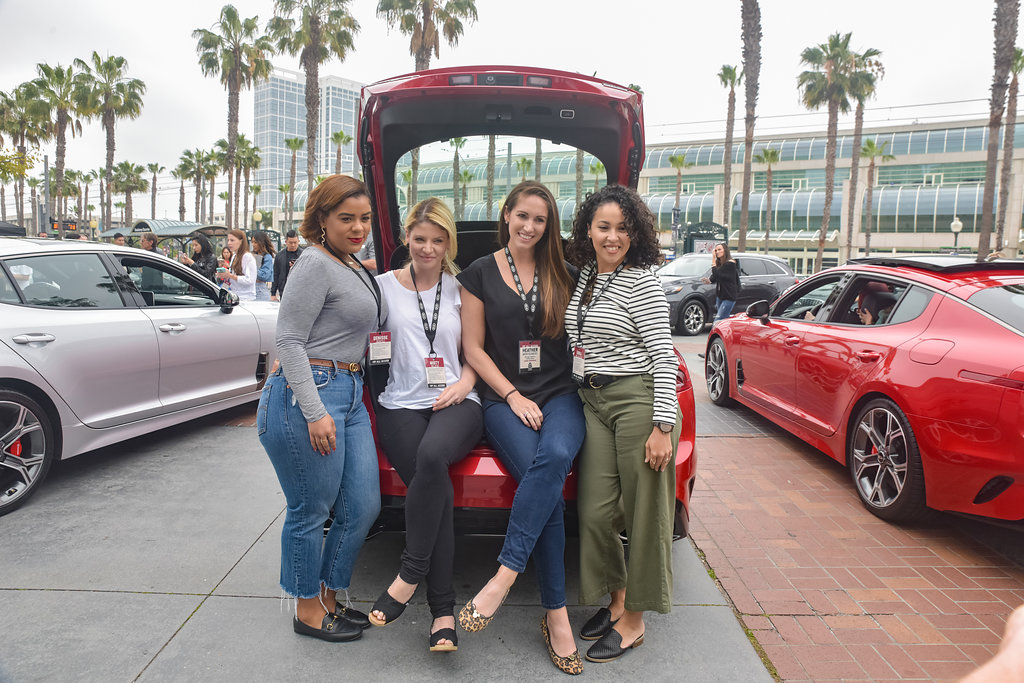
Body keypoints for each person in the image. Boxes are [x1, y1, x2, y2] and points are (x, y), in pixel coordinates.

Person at [456, 180, 585, 675]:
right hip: (503, 399)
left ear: (549, 226)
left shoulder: (566, 273)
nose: (529, 226)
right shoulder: (478, 273)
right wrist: (512, 395)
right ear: (506, 214)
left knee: (553, 458)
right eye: (522, 215)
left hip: (560, 395)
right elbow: (473, 349)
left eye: (540, 219)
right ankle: (556, 615)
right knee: (543, 478)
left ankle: (504, 577)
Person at [256, 174, 384, 643]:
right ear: (322, 219)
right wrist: (314, 411)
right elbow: (289, 339)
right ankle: (307, 609)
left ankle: (329, 596)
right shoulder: (313, 262)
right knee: (310, 509)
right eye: (346, 218)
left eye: (365, 218)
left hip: (349, 391)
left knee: (363, 507)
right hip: (309, 391)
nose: (358, 227)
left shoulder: (350, 264)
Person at [564, 184, 682, 665]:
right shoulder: (589, 277)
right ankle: (616, 601)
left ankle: (634, 619)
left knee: (644, 511)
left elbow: (664, 356)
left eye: (622, 228)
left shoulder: (642, 282)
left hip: (637, 400)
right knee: (595, 512)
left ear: (636, 233)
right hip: (593, 401)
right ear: (588, 231)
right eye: (604, 227)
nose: (613, 237)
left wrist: (663, 426)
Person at [368, 198, 483, 653]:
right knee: (435, 490)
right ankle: (443, 615)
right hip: (399, 403)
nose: (428, 249)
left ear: (449, 243)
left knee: (432, 457)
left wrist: (465, 383)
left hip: (458, 400)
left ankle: (410, 572)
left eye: (438, 240)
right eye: (420, 239)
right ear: (406, 238)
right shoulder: (381, 287)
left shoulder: (462, 289)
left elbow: (477, 351)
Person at [702, 242, 740, 322]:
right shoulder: (720, 263)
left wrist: (713, 259)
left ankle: (714, 330)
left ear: (725, 250)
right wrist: (709, 280)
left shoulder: (730, 263)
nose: (717, 252)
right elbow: (716, 277)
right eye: (716, 250)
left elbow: (718, 275)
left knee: (718, 320)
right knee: (724, 320)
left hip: (729, 297)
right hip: (720, 296)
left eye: (719, 249)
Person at [217, 229, 258, 301]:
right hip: (234, 296)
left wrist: (230, 276)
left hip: (246, 298)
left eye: (232, 240)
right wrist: (224, 277)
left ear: (241, 241)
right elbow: (230, 280)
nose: (229, 243)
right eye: (228, 240)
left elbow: (250, 280)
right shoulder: (234, 256)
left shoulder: (247, 257)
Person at [272, 230, 304, 300]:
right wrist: (273, 293)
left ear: (298, 241)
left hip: (300, 291)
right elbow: (276, 274)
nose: (293, 245)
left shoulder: (304, 255)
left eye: (295, 242)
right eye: (291, 243)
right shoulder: (280, 256)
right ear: (286, 242)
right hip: (284, 290)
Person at [251, 231, 277, 301]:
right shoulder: (252, 255)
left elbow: (264, 275)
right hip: (251, 288)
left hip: (260, 290)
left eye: (255, 242)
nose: (253, 245)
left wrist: (251, 269)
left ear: (261, 242)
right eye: (252, 242)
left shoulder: (267, 257)